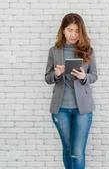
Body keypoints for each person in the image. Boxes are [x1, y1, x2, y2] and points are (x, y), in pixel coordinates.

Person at [45, 13, 97, 169]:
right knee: (67, 150)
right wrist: (57, 74)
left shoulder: (88, 51)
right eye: (70, 30)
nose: (73, 34)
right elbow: (47, 78)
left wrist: (83, 77)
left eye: (77, 31)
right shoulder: (54, 51)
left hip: (82, 110)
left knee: (78, 152)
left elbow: (94, 76)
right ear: (63, 30)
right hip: (60, 109)